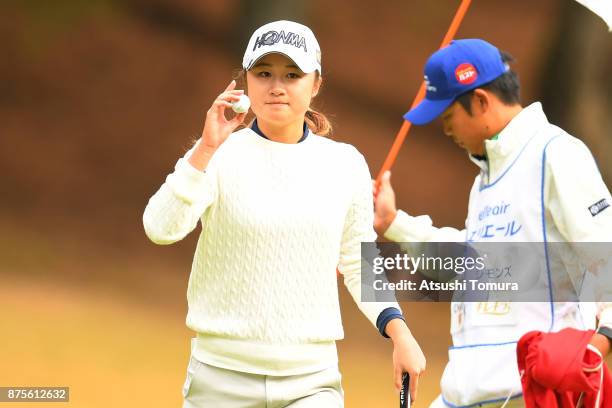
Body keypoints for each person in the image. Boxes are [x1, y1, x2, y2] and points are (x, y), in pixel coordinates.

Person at [143, 20, 425, 408]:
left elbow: (360, 265)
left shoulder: (344, 164)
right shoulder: (218, 155)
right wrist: (204, 150)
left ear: (316, 83)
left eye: (292, 74)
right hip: (220, 380)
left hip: (312, 382)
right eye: (264, 73)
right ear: (246, 81)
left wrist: (400, 333)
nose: (277, 86)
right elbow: (160, 227)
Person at [373, 38, 612, 408]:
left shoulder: (556, 154)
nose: (445, 129)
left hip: (531, 393)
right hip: (466, 393)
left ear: (481, 101)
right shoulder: (484, 179)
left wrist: (600, 342)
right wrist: (393, 223)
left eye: (447, 116)